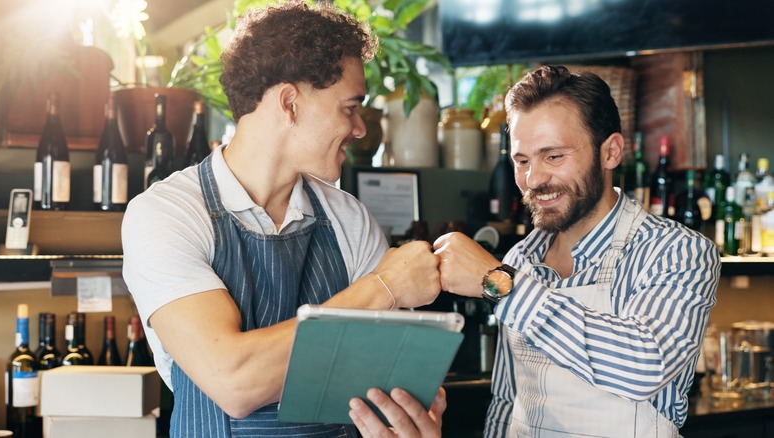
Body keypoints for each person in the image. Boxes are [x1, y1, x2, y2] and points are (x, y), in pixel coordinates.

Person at [121, 2, 443, 436]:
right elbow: (233, 381)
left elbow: (387, 381)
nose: (361, 128)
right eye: (350, 107)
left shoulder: (349, 218)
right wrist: (382, 287)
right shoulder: (168, 214)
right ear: (289, 102)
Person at [350, 65, 720, 437]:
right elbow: (508, 402)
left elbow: (643, 368)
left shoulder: (679, 252)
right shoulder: (520, 259)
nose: (534, 179)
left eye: (554, 156)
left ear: (610, 152)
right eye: (522, 160)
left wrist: (499, 282)